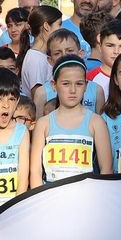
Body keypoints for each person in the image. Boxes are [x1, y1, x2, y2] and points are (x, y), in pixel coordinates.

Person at [30, 55, 110, 186]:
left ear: (86, 86)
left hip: (86, 197)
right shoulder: (44, 123)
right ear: (54, 85)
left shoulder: (96, 122)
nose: (72, 90)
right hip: (50, 198)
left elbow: (106, 169)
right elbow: (35, 171)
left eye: (79, 84)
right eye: (66, 84)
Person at [33, 29, 100, 114]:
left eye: (70, 51)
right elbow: (38, 124)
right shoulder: (42, 93)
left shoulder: (96, 90)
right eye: (57, 53)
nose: (64, 56)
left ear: (81, 54)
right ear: (50, 60)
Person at [0, 69, 29, 210]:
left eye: (11, 99)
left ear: (17, 101)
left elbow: (23, 178)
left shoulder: (21, 132)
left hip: (10, 211)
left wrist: (15, 210)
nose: (5, 105)